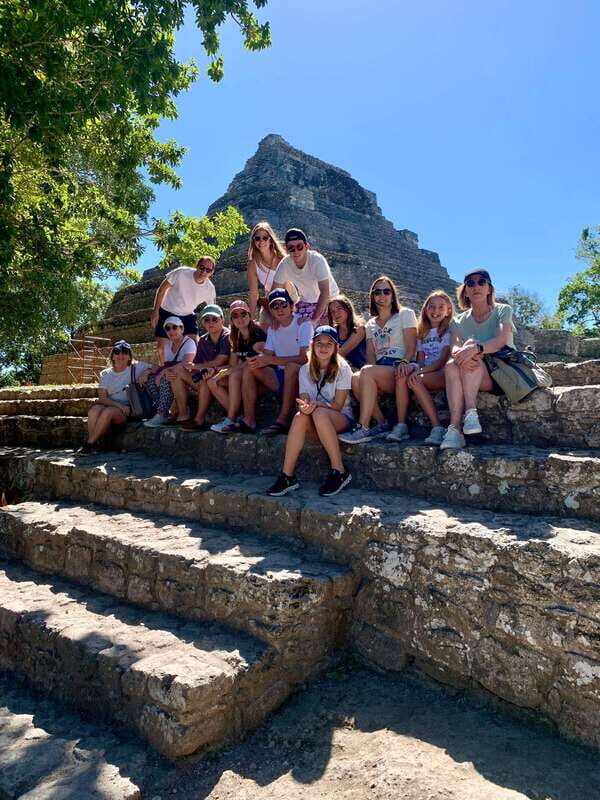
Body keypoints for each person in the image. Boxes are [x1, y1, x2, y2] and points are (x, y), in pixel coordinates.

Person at [267, 326, 353, 497]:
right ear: (312, 345)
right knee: (300, 416)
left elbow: (337, 405)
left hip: (340, 418)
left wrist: (315, 406)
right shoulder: (305, 369)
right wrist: (305, 407)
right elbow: (304, 400)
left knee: (318, 413)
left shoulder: (343, 368)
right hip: (317, 419)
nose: (323, 348)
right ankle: (287, 476)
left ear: (336, 347)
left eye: (329, 344)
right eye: (319, 343)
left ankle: (340, 470)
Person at [440, 269, 516, 450]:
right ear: (465, 291)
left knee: (470, 348)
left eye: (482, 282)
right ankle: (458, 427)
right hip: (471, 367)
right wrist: (464, 351)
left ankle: (466, 416)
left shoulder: (502, 310)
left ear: (489, 288)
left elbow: (500, 341)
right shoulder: (457, 321)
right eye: (470, 283)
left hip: (501, 371)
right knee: (451, 365)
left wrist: (476, 348)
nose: (476, 286)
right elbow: (454, 346)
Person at [339, 275, 417, 444]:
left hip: (400, 365)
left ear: (392, 295)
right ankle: (382, 423)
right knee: (355, 378)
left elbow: (411, 347)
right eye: (377, 292)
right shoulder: (370, 325)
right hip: (380, 369)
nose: (382, 296)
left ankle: (363, 426)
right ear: (372, 297)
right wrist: (368, 377)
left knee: (366, 372)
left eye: (386, 291)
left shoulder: (405, 314)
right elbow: (371, 355)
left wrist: (404, 361)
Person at [238, 289, 312, 435]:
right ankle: (249, 420)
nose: (279, 309)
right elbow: (266, 355)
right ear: (271, 310)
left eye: (283, 304)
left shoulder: (304, 324)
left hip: (301, 377)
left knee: (291, 367)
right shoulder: (273, 328)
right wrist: (257, 358)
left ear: (291, 306)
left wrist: (270, 359)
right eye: (275, 306)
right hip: (279, 376)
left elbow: (305, 358)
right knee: (250, 367)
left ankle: (282, 420)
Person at [390, 290, 454, 445]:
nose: (436, 311)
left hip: (443, 372)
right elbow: (420, 359)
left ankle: (437, 428)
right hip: (426, 371)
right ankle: (401, 425)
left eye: (441, 307)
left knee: (416, 381)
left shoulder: (448, 331)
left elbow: (442, 360)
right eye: (431, 307)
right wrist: (413, 368)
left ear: (448, 311)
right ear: (425, 309)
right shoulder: (422, 333)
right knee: (402, 375)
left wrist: (420, 372)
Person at [161, 305, 231, 431]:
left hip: (224, 377)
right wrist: (189, 369)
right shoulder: (203, 340)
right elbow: (195, 366)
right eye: (206, 319)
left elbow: (220, 360)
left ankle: (199, 419)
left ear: (222, 320)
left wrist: (197, 367)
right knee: (176, 372)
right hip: (208, 376)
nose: (210, 323)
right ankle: (183, 415)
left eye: (214, 319)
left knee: (205, 378)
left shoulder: (227, 336)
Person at [81, 341, 153, 451]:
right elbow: (102, 398)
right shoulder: (106, 373)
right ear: (112, 356)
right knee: (93, 411)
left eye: (125, 352)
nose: (120, 355)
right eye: (117, 352)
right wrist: (119, 406)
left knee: (108, 412)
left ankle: (89, 444)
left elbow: (157, 368)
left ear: (129, 356)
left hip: (129, 410)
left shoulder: (136, 367)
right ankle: (97, 443)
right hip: (114, 405)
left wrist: (146, 372)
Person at [208, 299, 267, 432]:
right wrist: (216, 372)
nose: (239, 318)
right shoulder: (235, 336)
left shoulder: (258, 333)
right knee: (212, 381)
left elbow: (255, 361)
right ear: (232, 319)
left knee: (234, 375)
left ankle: (231, 418)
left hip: (259, 376)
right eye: (235, 315)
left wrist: (225, 372)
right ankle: (237, 416)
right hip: (243, 374)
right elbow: (233, 365)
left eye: (243, 314)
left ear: (250, 315)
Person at [150, 256, 216, 360]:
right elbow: (162, 289)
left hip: (187, 315)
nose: (204, 272)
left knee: (194, 345)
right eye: (202, 267)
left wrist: (214, 331)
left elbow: (212, 310)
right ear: (196, 266)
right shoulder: (181, 273)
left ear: (211, 273)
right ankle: (164, 370)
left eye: (208, 270)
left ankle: (191, 371)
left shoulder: (210, 289)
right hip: (167, 311)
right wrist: (155, 311)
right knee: (162, 348)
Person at [272, 228, 339, 325]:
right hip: (307, 302)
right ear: (286, 249)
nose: (295, 251)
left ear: (307, 246)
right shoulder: (285, 264)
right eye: (291, 248)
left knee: (324, 332)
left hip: (330, 299)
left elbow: (325, 292)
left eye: (299, 246)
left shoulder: (317, 260)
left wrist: (314, 320)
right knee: (294, 327)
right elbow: (274, 292)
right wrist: (277, 318)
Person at [143, 316, 196, 427]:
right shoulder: (168, 346)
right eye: (168, 328)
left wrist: (162, 373)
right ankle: (163, 411)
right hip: (173, 374)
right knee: (150, 380)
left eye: (174, 327)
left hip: (186, 379)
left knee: (167, 377)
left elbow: (186, 365)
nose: (171, 331)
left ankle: (162, 414)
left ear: (181, 329)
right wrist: (148, 371)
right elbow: (165, 365)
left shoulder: (189, 343)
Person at [246, 222, 295, 325]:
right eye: (257, 238)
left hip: (289, 298)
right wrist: (250, 319)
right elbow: (254, 293)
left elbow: (286, 285)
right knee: (264, 329)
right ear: (253, 241)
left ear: (271, 240)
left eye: (265, 238)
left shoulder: (281, 259)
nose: (261, 241)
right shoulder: (252, 264)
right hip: (270, 301)